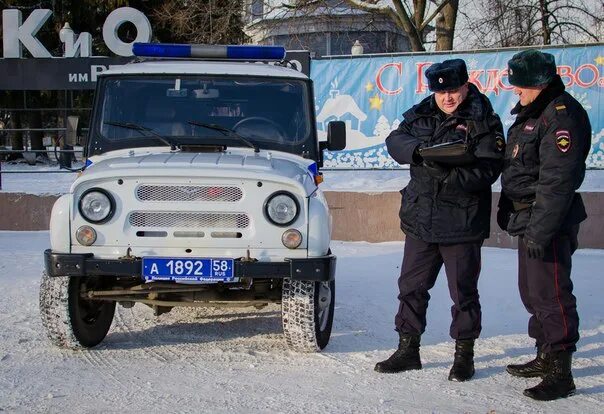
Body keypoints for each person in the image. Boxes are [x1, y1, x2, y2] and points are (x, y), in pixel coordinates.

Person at [375, 59, 505, 381]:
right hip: (421, 219)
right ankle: (408, 349)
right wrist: (419, 152)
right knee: (411, 287)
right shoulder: (423, 113)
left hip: (461, 222)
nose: (447, 97)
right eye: (440, 91)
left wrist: (445, 176)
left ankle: (464, 355)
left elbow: (487, 169)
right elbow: (395, 141)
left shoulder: (483, 120)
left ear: (465, 86)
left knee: (463, 293)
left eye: (453, 90)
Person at [497, 50, 591, 401]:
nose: (515, 90)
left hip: (547, 220)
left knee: (551, 294)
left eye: (520, 84)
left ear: (539, 82)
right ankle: (544, 354)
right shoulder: (534, 112)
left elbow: (558, 180)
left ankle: (560, 371)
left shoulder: (560, 116)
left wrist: (541, 228)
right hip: (530, 218)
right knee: (532, 292)